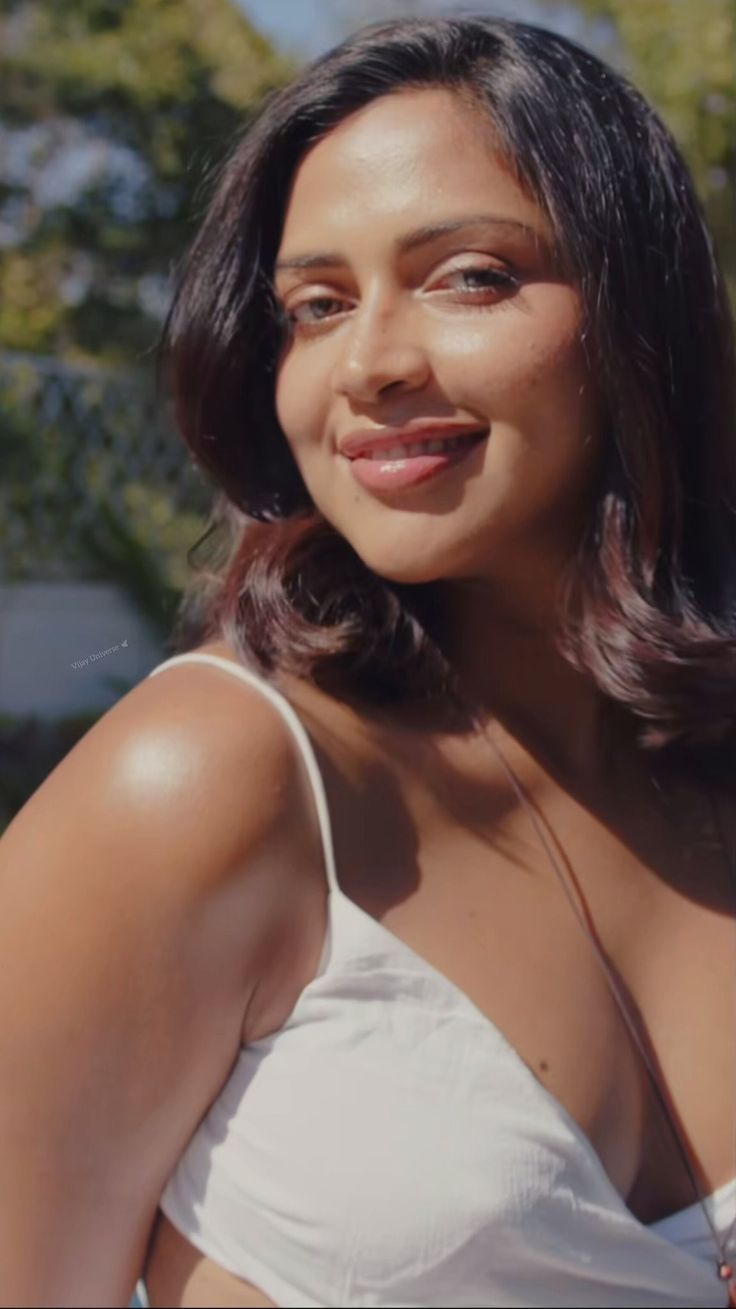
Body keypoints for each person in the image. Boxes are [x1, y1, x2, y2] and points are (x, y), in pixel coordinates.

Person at [2, 13, 736, 1308]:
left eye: (469, 275)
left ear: (642, 317)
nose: (372, 364)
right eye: (316, 305)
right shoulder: (208, 780)